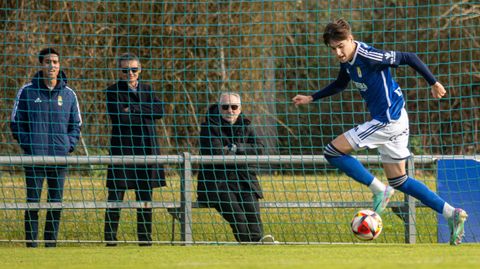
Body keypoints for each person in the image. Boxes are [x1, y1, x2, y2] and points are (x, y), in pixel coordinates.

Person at [292, 18, 468, 246]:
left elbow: (408, 57)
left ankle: (379, 190)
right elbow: (340, 83)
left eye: (340, 46)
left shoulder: (368, 55)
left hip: (387, 120)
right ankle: (451, 214)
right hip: (396, 118)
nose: (337, 52)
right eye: (333, 49)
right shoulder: (347, 60)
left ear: (350, 39)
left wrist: (433, 82)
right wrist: (311, 97)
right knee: (400, 180)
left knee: (332, 151)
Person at [10, 48, 82, 247]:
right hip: (34, 158)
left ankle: (51, 244)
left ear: (60, 65)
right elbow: (16, 122)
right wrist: (30, 145)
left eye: (55, 62)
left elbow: (76, 124)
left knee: (55, 203)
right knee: (32, 202)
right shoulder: (27, 91)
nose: (52, 65)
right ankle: (31, 245)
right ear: (41, 65)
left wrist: (68, 145)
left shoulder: (69, 95)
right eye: (48, 62)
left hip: (59, 159)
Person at [197, 92, 277, 244]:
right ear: (219, 108)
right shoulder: (208, 127)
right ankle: (252, 246)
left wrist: (236, 148)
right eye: (225, 107)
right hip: (218, 182)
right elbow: (217, 152)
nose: (230, 110)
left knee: (252, 214)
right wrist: (243, 152)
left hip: (244, 179)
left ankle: (258, 245)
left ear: (240, 108)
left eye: (234, 107)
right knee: (238, 217)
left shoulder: (246, 124)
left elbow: (259, 148)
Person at [104, 53, 166, 246]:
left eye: (133, 69)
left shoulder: (148, 89)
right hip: (122, 150)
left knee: (145, 199)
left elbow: (160, 112)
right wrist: (142, 110)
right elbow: (119, 118)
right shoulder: (112, 91)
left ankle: (145, 240)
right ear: (120, 72)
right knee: (115, 197)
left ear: (140, 70)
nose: (129, 73)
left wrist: (132, 108)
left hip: (147, 149)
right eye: (125, 70)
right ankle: (110, 240)